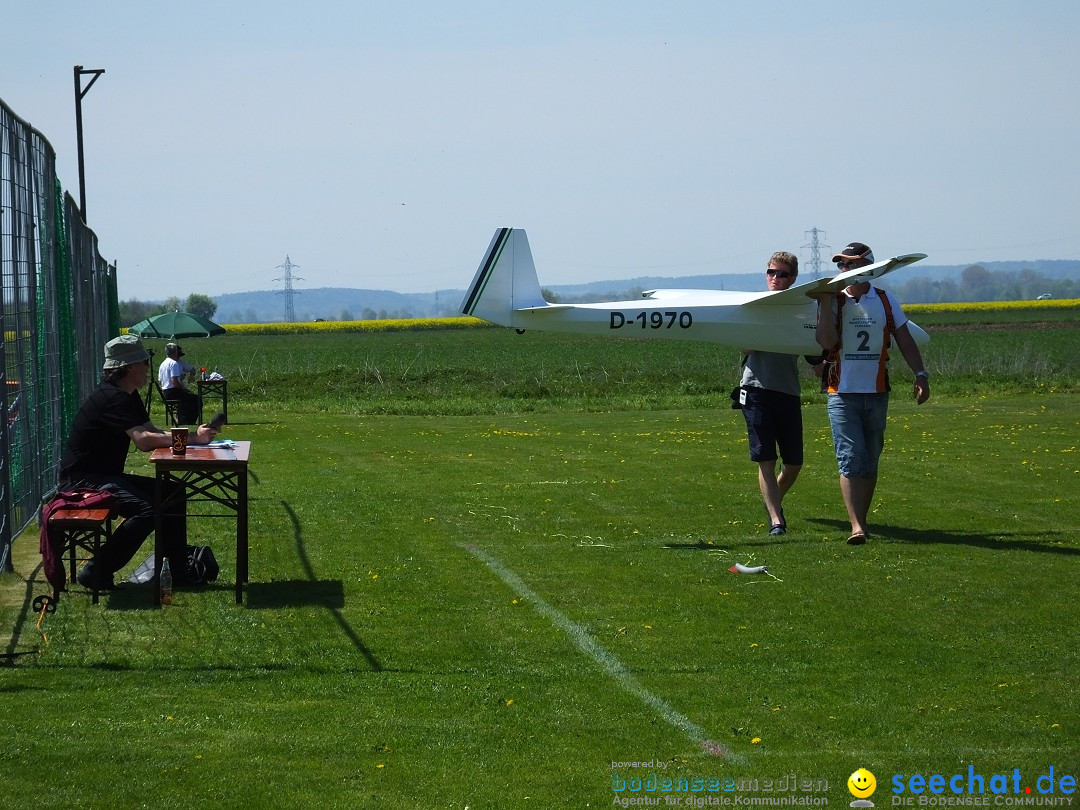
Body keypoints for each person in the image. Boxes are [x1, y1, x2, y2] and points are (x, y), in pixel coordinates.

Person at [60, 334, 219, 589]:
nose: (148, 368)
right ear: (129, 367)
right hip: (83, 482)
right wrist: (194, 439)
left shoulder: (128, 395)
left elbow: (152, 430)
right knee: (149, 509)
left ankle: (177, 573)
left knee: (173, 492)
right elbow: (144, 441)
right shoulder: (113, 397)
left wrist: (194, 438)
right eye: (145, 362)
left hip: (105, 476)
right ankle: (96, 570)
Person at [813, 241, 930, 545]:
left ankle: (861, 520)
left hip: (877, 392)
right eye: (841, 265)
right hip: (841, 393)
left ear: (868, 268)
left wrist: (920, 374)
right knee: (851, 457)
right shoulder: (834, 300)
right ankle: (856, 526)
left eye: (851, 264)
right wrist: (825, 303)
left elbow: (905, 340)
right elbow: (825, 341)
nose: (845, 270)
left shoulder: (887, 301)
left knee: (871, 458)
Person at [737, 251, 815, 536]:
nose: (776, 279)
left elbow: (814, 354)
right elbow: (745, 347)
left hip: (787, 390)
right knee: (766, 458)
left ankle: (773, 502)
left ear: (793, 279)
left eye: (782, 274)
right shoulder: (755, 306)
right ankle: (776, 520)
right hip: (756, 388)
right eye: (771, 272)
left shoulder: (800, 309)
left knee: (794, 463)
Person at [158, 341, 200, 424]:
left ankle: (184, 418)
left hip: (166, 392)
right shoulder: (174, 363)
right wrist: (183, 389)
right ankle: (188, 420)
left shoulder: (163, 364)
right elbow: (174, 381)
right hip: (173, 391)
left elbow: (160, 380)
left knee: (189, 398)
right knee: (196, 399)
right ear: (175, 353)